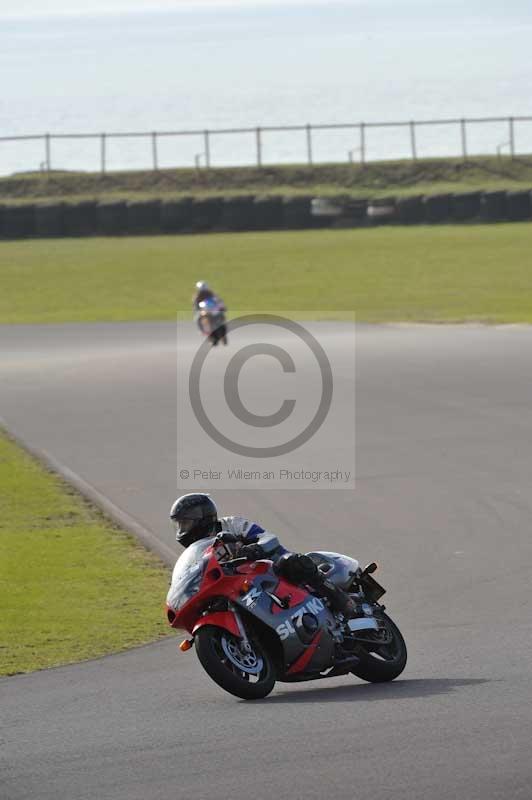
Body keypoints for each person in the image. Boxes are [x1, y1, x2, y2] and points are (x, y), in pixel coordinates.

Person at [169, 492, 356, 618]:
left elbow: (268, 538)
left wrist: (254, 548)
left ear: (201, 518)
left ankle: (342, 600)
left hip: (271, 569)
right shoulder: (194, 553)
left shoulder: (231, 524)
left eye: (185, 523)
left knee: (293, 562)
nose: (182, 530)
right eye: (179, 525)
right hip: (239, 586)